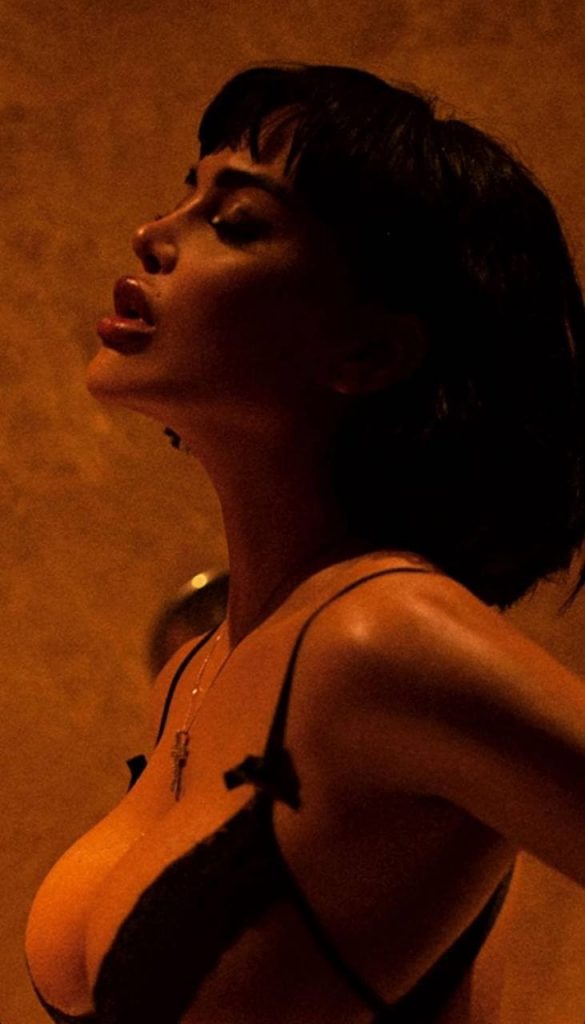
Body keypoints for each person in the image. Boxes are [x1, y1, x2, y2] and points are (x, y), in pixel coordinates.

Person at [25, 61, 585, 1023]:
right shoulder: (198, 667)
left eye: (236, 221)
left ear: (366, 351)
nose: (153, 234)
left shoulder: (386, 638)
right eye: (185, 194)